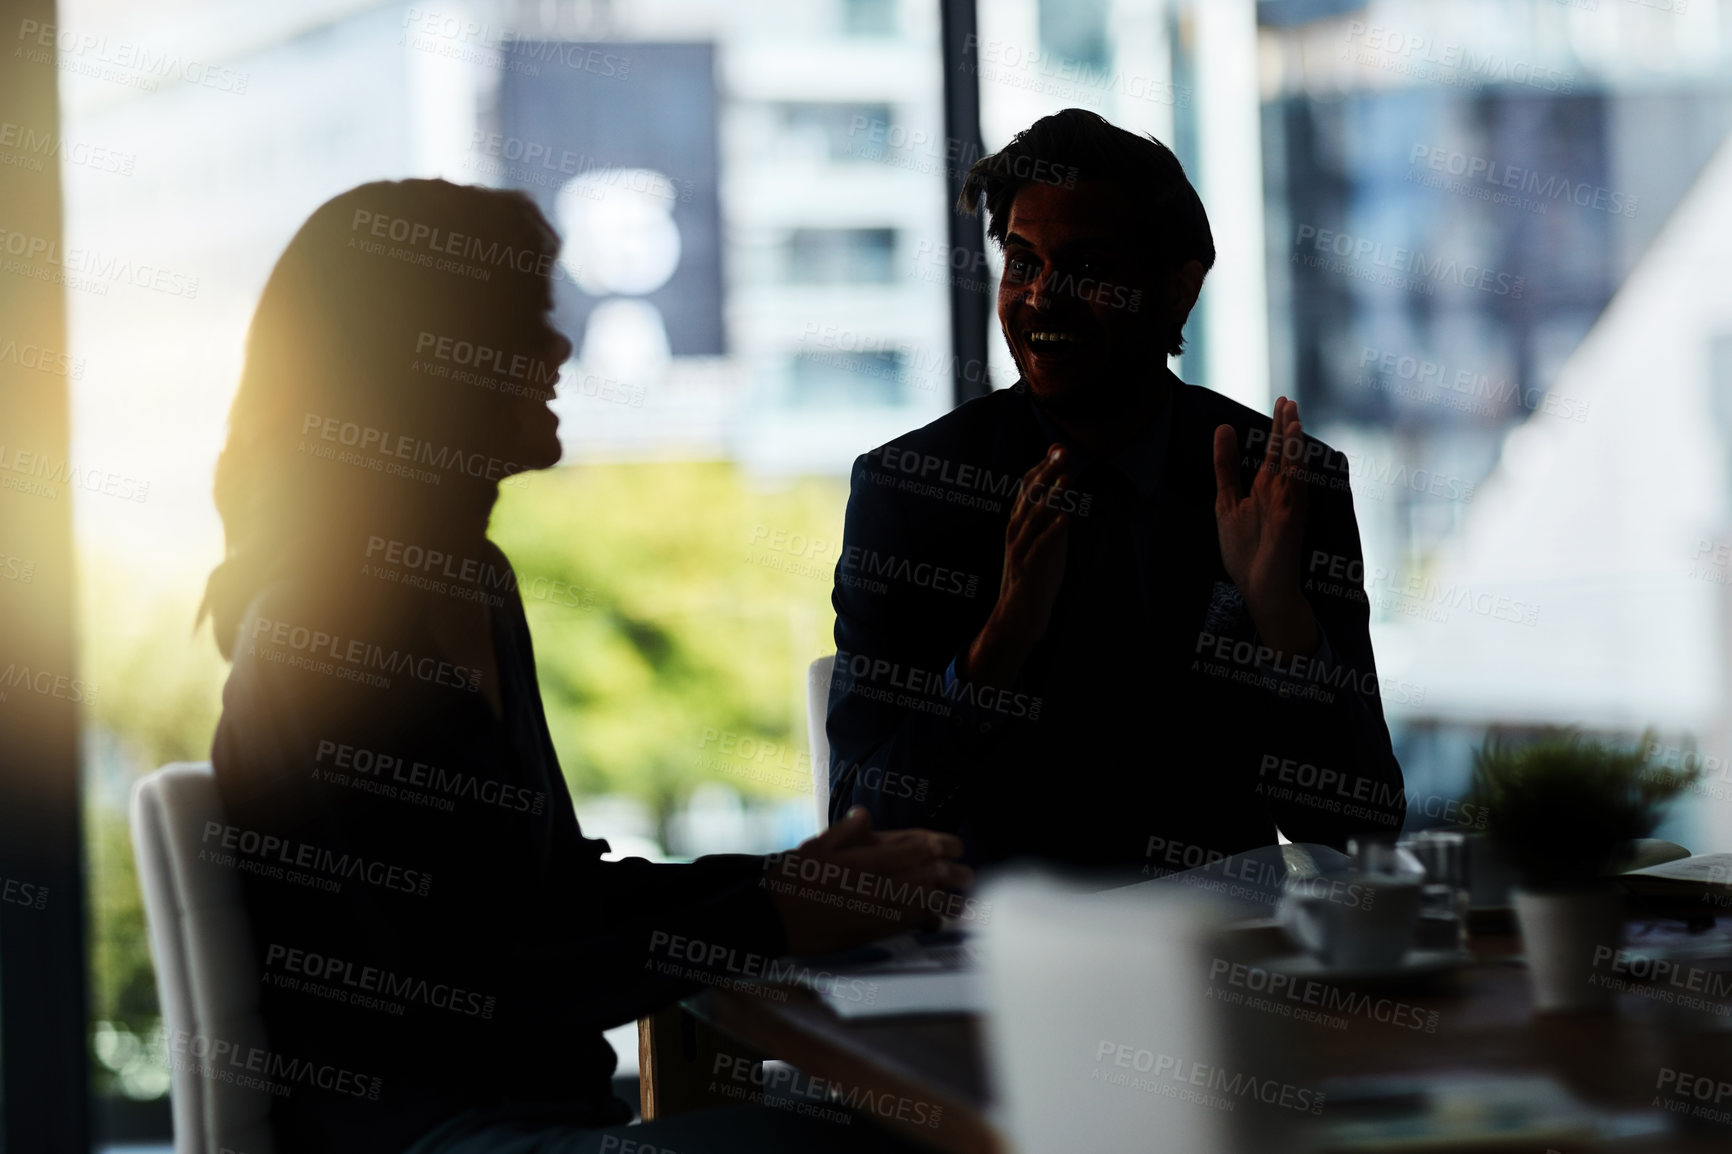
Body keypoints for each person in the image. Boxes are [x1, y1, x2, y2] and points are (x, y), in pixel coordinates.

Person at [202, 179, 966, 1154]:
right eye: (527, 321)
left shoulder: (465, 577)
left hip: (529, 1119)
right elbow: (481, 978)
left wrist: (793, 879)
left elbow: (549, 899)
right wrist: (771, 911)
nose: (559, 347)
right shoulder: (329, 621)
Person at [826, 110, 1406, 881]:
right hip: (988, 968)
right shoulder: (913, 491)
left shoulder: (1280, 484)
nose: (1041, 301)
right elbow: (862, 828)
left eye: (1088, 270)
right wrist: (998, 647)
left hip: (1221, 964)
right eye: (1023, 263)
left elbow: (1360, 827)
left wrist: (1282, 620)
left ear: (1176, 289)